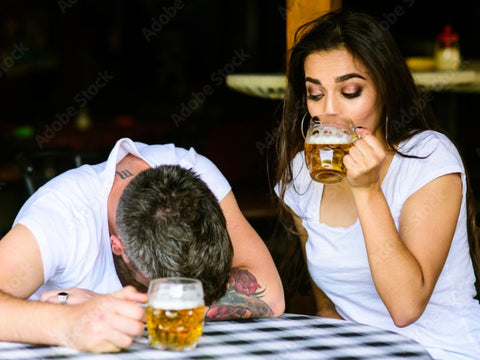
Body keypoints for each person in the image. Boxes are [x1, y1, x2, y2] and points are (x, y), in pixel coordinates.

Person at [273, 10, 480, 360]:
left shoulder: (428, 157)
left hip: (442, 350)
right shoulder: (301, 174)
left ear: (384, 87)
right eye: (315, 93)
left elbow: (405, 307)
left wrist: (367, 190)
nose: (329, 111)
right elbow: (329, 310)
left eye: (350, 91)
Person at [0, 137, 284, 352]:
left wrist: (133, 310)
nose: (181, 297)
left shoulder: (196, 173)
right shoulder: (60, 218)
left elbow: (270, 294)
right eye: (160, 286)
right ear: (118, 246)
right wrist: (70, 323)